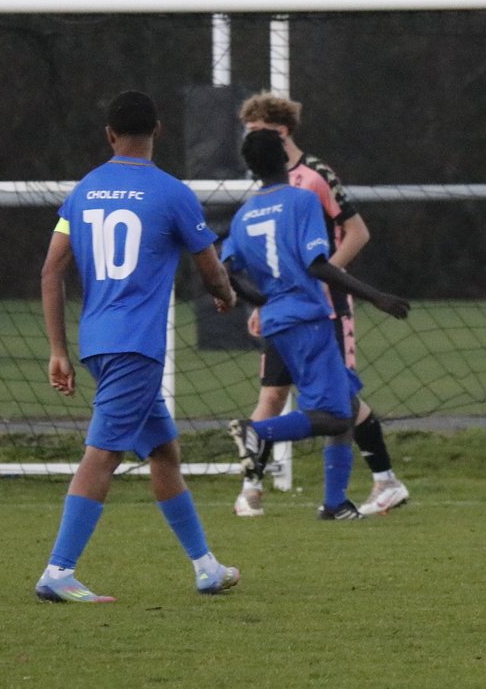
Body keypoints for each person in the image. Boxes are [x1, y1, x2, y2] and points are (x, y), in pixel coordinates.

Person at [36, 90, 241, 603]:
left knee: (164, 451)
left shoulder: (83, 191)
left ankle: (206, 567)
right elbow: (210, 269)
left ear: (109, 135)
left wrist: (58, 349)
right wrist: (226, 295)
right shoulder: (173, 193)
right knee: (103, 454)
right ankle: (58, 570)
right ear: (158, 131)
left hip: (97, 342)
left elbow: (51, 271)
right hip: (136, 347)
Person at [232, 93, 411, 519]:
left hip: (322, 305)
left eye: (256, 132)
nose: (249, 139)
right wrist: (274, 296)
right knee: (284, 395)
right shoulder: (268, 193)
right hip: (295, 309)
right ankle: (254, 484)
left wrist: (316, 280)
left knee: (340, 401)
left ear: (281, 133)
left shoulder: (315, 176)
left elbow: (357, 232)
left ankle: (364, 489)